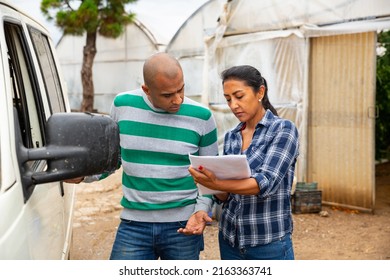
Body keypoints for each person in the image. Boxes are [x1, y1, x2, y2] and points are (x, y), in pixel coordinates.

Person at [95, 52, 218, 260]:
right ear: (147, 90)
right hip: (133, 226)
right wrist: (83, 174)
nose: (178, 99)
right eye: (168, 95)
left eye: (181, 89)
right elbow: (112, 159)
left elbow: (210, 177)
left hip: (183, 226)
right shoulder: (122, 105)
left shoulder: (202, 117)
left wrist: (201, 211)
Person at [188, 65, 299, 260]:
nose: (233, 105)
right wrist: (208, 182)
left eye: (239, 96)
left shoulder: (283, 130)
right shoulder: (232, 136)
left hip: (268, 243)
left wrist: (217, 183)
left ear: (260, 92)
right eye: (228, 99)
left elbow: (264, 182)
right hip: (231, 241)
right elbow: (226, 197)